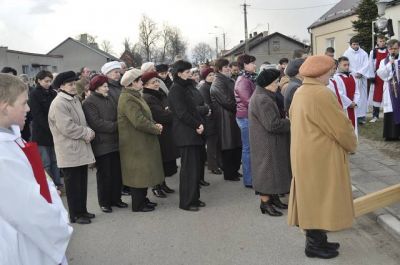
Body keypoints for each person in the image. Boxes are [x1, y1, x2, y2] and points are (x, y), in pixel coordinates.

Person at [288, 55, 357, 259]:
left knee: (313, 197)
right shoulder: (321, 93)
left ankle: (319, 241)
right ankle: (314, 245)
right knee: (320, 198)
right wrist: (352, 144)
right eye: (330, 71)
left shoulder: (301, 91)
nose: (332, 74)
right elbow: (340, 127)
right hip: (320, 155)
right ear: (320, 73)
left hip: (306, 152)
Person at [0, 73, 72, 265]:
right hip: (26, 245)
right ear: (5, 107)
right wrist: (61, 227)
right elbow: (29, 211)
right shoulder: (2, 155)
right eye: (23, 103)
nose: (28, 108)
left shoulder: (12, 137)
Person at [48, 71, 96, 224]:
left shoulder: (73, 99)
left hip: (79, 147)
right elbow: (67, 127)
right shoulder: (59, 103)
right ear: (61, 86)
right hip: (69, 149)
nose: (74, 86)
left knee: (81, 182)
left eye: (74, 84)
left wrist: (87, 130)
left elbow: (81, 120)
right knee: (73, 185)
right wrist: (86, 132)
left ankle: (83, 210)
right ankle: (75, 215)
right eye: (70, 84)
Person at [118, 68, 164, 212]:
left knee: (144, 172)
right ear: (132, 83)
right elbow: (138, 121)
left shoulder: (135, 95)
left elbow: (145, 117)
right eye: (139, 81)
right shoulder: (127, 98)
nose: (142, 83)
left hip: (141, 141)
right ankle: (138, 204)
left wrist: (154, 123)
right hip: (134, 143)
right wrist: (155, 128)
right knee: (138, 174)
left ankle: (143, 199)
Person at [82, 75, 128, 213]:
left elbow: (117, 115)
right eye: (104, 86)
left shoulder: (109, 99)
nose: (107, 88)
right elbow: (96, 123)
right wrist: (117, 126)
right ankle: (104, 202)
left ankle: (116, 199)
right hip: (102, 144)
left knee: (116, 174)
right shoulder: (89, 102)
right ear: (96, 87)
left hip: (115, 142)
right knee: (104, 175)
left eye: (107, 86)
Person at [249, 68, 291, 216]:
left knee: (273, 172)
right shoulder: (262, 99)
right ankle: (265, 203)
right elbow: (272, 125)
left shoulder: (264, 95)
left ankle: (273, 199)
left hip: (267, 141)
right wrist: (289, 122)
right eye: (276, 82)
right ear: (268, 84)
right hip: (266, 142)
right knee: (266, 172)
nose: (278, 84)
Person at [168, 60, 206, 211]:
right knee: (188, 171)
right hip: (185, 134)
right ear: (179, 74)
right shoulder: (176, 89)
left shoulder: (185, 87)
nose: (191, 74)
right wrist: (197, 125)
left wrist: (199, 124)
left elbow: (193, 109)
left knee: (195, 169)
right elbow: (182, 113)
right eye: (187, 72)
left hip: (192, 132)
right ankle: (186, 202)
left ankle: (194, 199)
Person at [141, 71, 177, 197]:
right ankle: (156, 187)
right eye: (153, 82)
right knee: (158, 161)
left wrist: (169, 110)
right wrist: (171, 111)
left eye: (157, 81)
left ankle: (163, 184)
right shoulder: (148, 97)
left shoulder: (159, 93)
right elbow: (160, 115)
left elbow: (168, 108)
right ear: (145, 85)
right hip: (159, 132)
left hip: (165, 131)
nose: (156, 84)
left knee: (164, 160)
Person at [29, 70, 62, 188]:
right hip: (42, 133)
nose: (48, 83)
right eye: (46, 81)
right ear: (39, 80)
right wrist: (51, 128)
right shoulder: (34, 94)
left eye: (50, 81)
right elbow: (37, 115)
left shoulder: (53, 93)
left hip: (54, 132)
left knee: (55, 161)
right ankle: (50, 186)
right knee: (46, 162)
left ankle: (58, 183)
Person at [210, 58, 242, 181]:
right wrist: (239, 106)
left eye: (228, 66)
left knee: (235, 145)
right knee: (228, 146)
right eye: (225, 67)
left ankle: (234, 170)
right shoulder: (217, 82)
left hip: (232, 117)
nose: (228, 68)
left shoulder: (228, 79)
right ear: (219, 69)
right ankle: (229, 174)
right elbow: (226, 102)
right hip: (225, 119)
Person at [235, 54, 256, 188]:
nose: (254, 65)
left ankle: (251, 178)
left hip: (247, 117)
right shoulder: (243, 81)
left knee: (249, 149)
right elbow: (248, 101)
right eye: (252, 63)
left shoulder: (248, 78)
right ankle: (249, 180)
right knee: (248, 150)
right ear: (244, 65)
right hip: (245, 117)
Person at [199, 67, 222, 175]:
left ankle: (218, 163)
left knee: (217, 143)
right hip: (209, 119)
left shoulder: (213, 86)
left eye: (213, 74)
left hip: (216, 118)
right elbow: (206, 104)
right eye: (209, 75)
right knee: (211, 144)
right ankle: (212, 166)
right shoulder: (204, 88)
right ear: (205, 77)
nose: (212, 76)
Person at [189, 69, 211, 187]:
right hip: (194, 125)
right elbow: (192, 109)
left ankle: (200, 178)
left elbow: (203, 102)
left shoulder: (195, 87)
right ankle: (196, 180)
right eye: (193, 75)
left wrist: (206, 108)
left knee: (201, 154)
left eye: (197, 74)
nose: (196, 76)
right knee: (195, 157)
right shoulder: (187, 90)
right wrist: (206, 109)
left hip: (202, 122)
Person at [377, 39, 400, 140]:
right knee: (391, 109)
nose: (393, 51)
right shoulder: (384, 61)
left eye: (395, 48)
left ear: (399, 48)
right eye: (391, 49)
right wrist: (390, 64)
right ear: (388, 49)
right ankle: (391, 135)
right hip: (390, 91)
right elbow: (381, 74)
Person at [343, 37, 370, 125]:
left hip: (361, 78)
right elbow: (346, 64)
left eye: (357, 44)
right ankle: (353, 117)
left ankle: (361, 117)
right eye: (354, 44)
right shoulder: (346, 53)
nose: (355, 46)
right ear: (350, 44)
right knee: (354, 96)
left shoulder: (363, 53)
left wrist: (361, 73)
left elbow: (367, 64)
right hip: (353, 78)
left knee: (362, 98)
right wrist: (355, 73)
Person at [332, 56, 360, 135]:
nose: (347, 67)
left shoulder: (352, 76)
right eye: (344, 65)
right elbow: (339, 93)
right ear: (339, 65)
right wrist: (349, 103)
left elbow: (357, 91)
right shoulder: (336, 78)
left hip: (353, 106)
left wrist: (355, 102)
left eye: (348, 65)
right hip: (344, 107)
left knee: (353, 126)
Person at [368, 35, 388, 123]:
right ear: (377, 42)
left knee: (388, 94)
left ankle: (388, 115)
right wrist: (372, 75)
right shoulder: (374, 52)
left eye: (383, 41)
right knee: (377, 95)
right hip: (378, 76)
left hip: (388, 76)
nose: (382, 43)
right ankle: (375, 116)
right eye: (380, 41)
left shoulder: (389, 50)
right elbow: (370, 64)